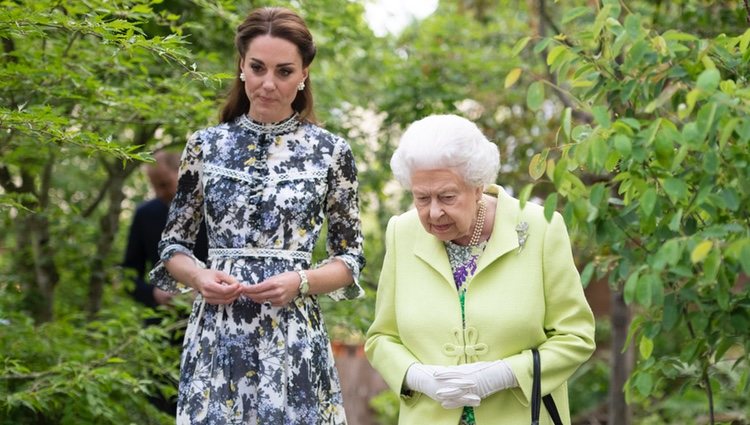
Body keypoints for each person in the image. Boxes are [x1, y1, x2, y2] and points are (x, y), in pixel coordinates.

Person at [148, 6, 365, 424]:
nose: (268, 83)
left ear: (303, 75)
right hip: (217, 335)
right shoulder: (205, 146)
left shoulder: (331, 153)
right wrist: (198, 276)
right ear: (241, 67)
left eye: (284, 72)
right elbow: (172, 245)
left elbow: (350, 259)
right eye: (258, 68)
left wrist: (301, 281)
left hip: (294, 340)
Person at [365, 114, 595, 425]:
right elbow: (382, 338)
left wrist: (504, 374)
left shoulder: (541, 228)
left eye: (447, 197)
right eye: (421, 198)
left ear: (477, 186)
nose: (434, 212)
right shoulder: (401, 232)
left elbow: (575, 336)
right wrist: (417, 377)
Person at [123, 150, 208, 311]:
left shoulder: (213, 210)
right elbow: (129, 274)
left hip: (211, 313)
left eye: (164, 184)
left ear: (184, 172)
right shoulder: (145, 215)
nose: (159, 193)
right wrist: (154, 293)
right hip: (162, 323)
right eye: (154, 186)